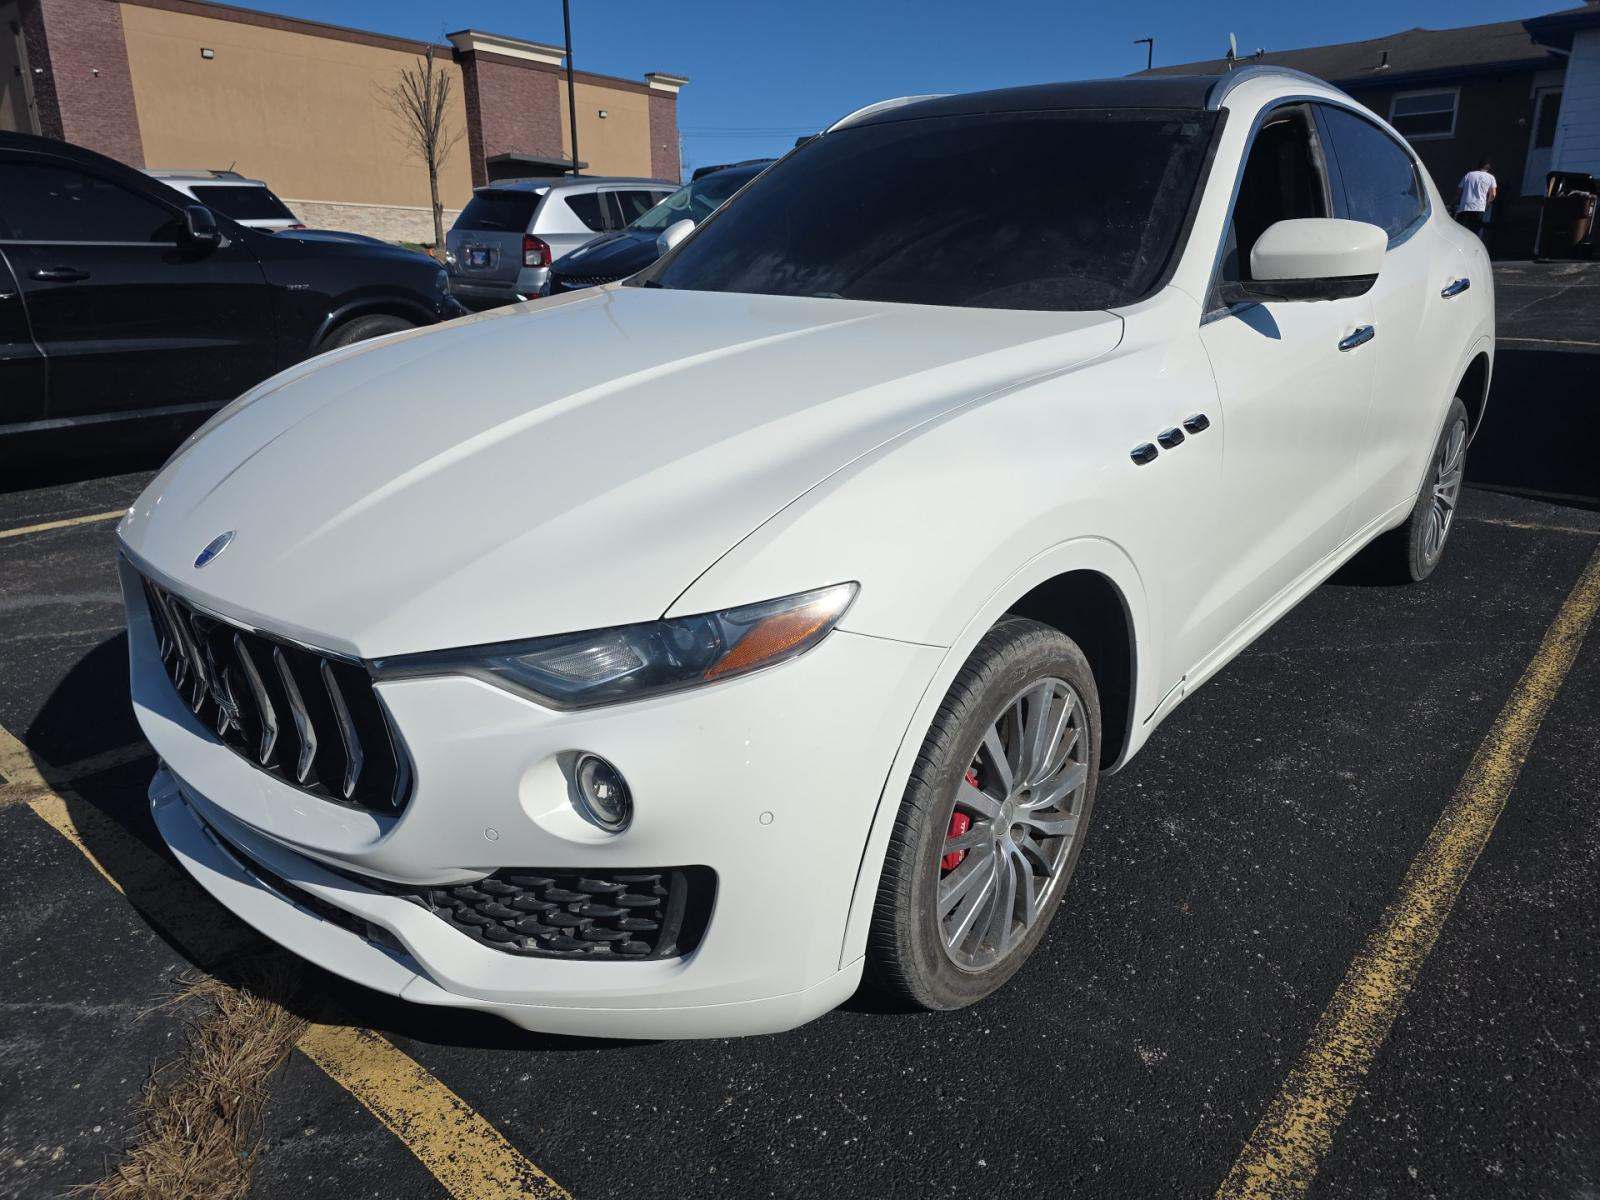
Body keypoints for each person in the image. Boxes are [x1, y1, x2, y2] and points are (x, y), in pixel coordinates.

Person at [1455, 159, 1497, 235]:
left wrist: (1457, 201)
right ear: (1488, 168)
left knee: (1459, 231)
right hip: (1479, 208)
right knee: (1474, 233)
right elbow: (1493, 194)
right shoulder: (1491, 178)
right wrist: (1487, 204)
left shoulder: (1469, 174)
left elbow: (1458, 191)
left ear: (1478, 166)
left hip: (1465, 207)